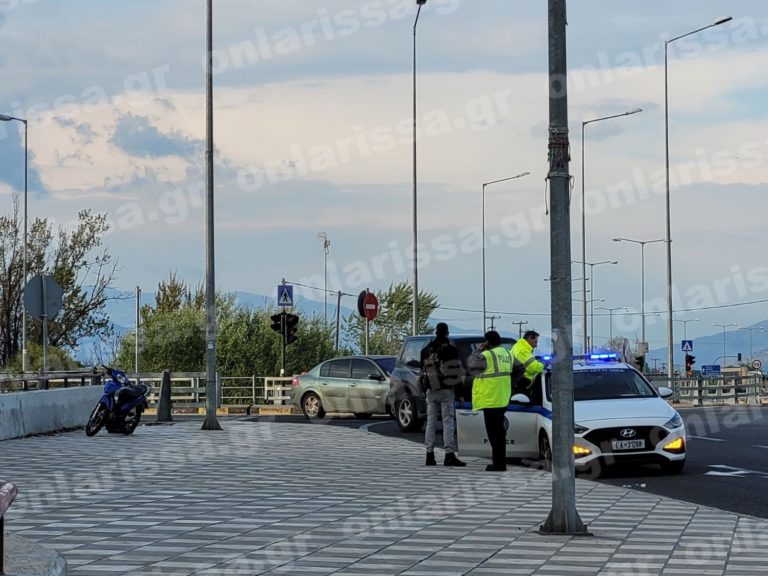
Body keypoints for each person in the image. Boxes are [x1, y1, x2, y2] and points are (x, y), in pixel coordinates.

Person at [420, 322, 466, 467]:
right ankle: (449, 455)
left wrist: (425, 388)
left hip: (431, 389)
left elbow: (422, 370)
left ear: (436, 332)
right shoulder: (451, 350)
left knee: (431, 422)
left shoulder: (426, 350)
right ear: (447, 333)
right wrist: (460, 394)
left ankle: (429, 454)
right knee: (447, 421)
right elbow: (455, 372)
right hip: (446, 389)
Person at [468, 330, 512, 471]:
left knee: (494, 433)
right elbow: (520, 368)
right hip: (503, 396)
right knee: (499, 431)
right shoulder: (508, 354)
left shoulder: (487, 355)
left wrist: (477, 351)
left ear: (487, 342)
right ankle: (500, 461)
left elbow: (471, 367)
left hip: (490, 397)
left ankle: (498, 463)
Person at [511, 330, 545, 397]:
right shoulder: (522, 350)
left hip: (519, 382)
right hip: (521, 384)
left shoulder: (519, 347)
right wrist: (543, 364)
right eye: (535, 342)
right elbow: (533, 367)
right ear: (529, 339)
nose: (536, 345)